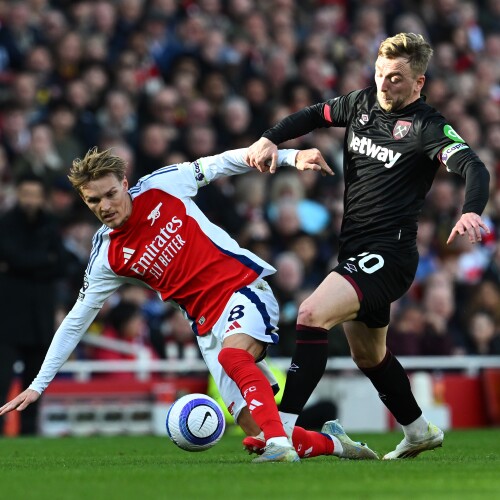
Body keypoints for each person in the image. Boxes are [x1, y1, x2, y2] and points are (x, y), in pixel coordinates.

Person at [0, 146, 377, 462]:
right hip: (205, 324)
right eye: (93, 200)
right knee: (256, 428)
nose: (105, 205)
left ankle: (279, 444)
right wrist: (38, 384)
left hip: (242, 287)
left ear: (125, 184)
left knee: (235, 359)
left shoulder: (161, 186)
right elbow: (76, 320)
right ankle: (333, 443)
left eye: (111, 193)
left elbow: (224, 162)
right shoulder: (107, 257)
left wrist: (291, 157)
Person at [245, 32, 491, 459]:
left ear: (418, 82)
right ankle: (419, 430)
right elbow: (314, 114)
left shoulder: (427, 126)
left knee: (311, 314)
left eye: (395, 78)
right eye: (379, 73)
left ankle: (279, 432)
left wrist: (471, 210)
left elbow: (473, 166)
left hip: (390, 254)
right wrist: (271, 138)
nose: (384, 84)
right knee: (369, 355)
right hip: (356, 249)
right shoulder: (360, 104)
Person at [0, 173, 66, 435]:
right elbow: (14, 255)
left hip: (40, 318)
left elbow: (61, 264)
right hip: (8, 319)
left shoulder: (50, 223)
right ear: (18, 194)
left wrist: (18, 266)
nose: (30, 200)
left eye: (35, 195)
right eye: (26, 194)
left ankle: (29, 433)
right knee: (1, 380)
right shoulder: (6, 223)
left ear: (42, 197)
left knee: (35, 383)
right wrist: (44, 261)